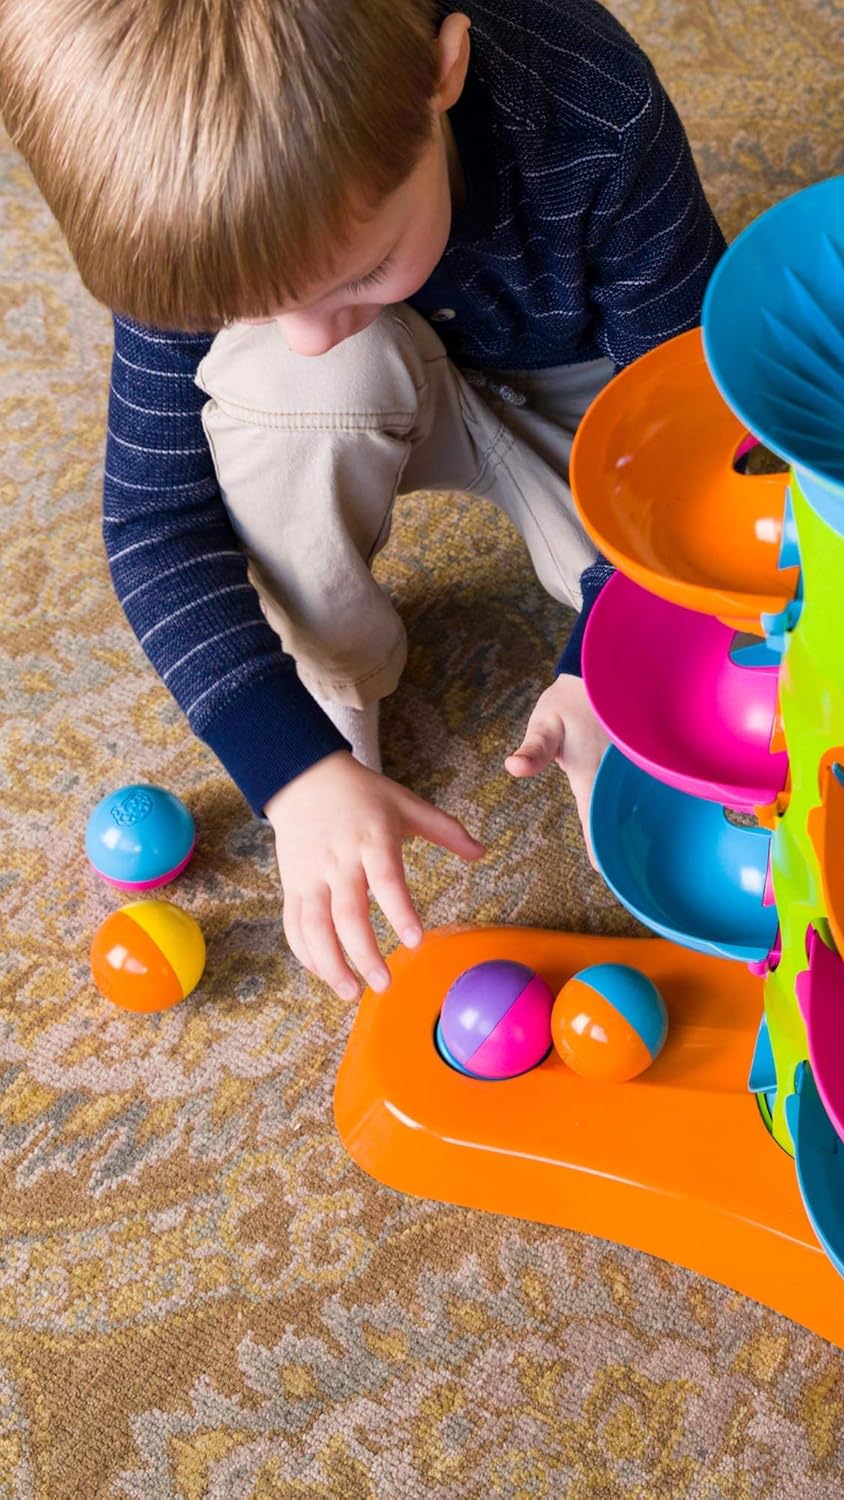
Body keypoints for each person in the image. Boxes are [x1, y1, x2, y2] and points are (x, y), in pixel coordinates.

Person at [0, 0, 725, 1000]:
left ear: (445, 70)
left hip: (590, 388)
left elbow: (703, 434)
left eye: (359, 269)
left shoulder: (594, 109)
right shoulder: (187, 195)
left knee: (747, 569)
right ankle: (334, 685)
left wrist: (606, 648)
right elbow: (156, 521)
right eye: (250, 310)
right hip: (385, 391)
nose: (303, 333)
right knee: (291, 390)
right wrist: (290, 769)